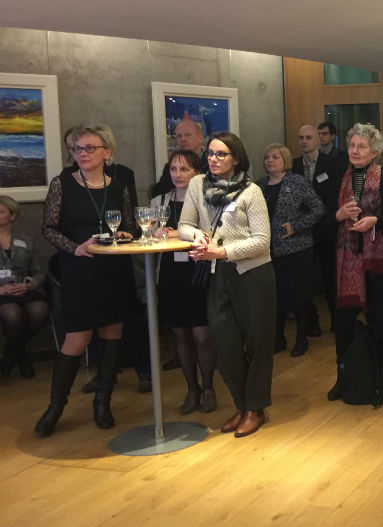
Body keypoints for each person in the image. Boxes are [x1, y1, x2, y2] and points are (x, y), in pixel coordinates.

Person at [35, 123, 136, 438]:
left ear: (107, 152)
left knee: (112, 333)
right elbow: (48, 227)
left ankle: (103, 401)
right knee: (76, 339)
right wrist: (75, 248)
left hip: (114, 269)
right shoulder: (62, 183)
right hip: (79, 269)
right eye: (77, 148)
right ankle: (55, 406)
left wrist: (124, 234)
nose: (82, 154)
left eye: (89, 148)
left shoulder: (118, 186)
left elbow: (131, 226)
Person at [178, 132, 275, 438]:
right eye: (210, 153)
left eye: (221, 154)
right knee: (225, 343)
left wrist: (221, 250)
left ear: (236, 158)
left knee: (257, 344)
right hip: (216, 272)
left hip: (252, 274)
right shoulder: (197, 184)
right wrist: (195, 236)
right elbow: (184, 224)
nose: (213, 159)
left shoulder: (251, 192)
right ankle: (242, 404)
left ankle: (254, 409)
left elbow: (262, 241)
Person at [327, 124, 383, 404]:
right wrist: (338, 214)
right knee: (343, 324)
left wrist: (376, 221)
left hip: (378, 263)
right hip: (346, 263)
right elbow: (324, 220)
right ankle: (345, 376)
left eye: (362, 146)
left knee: (381, 321)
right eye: (352, 145)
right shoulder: (340, 178)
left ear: (374, 151)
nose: (355, 150)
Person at [151, 149, 218, 415]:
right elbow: (147, 234)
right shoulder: (159, 202)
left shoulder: (209, 200)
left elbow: (215, 234)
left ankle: (210, 386)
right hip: (170, 274)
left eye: (184, 170)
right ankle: (192, 389)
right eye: (173, 170)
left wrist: (178, 233)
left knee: (202, 335)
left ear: (197, 173)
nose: (177, 175)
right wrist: (156, 234)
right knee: (180, 335)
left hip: (198, 271)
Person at [257, 143, 325, 357]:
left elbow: (318, 209)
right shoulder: (259, 186)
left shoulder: (297, 182)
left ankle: (301, 338)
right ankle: (278, 339)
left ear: (285, 160)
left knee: (299, 295)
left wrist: (296, 226)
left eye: (275, 157)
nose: (270, 161)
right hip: (268, 251)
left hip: (296, 249)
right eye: (267, 157)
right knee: (274, 296)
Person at [292, 123, 349, 337]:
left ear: (318, 139)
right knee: (304, 278)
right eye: (301, 138)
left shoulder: (332, 164)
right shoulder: (294, 165)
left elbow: (336, 195)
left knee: (331, 277)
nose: (304, 141)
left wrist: (329, 221)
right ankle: (311, 321)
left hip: (327, 227)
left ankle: (337, 319)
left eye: (308, 137)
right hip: (302, 229)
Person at [0, 195, 49, 378]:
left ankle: (12, 351)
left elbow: (40, 272)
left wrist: (30, 285)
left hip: (23, 290)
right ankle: (22, 357)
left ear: (11, 216)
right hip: (1, 292)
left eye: (1, 211)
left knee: (40, 310)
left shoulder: (25, 241)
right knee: (12, 314)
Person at [152, 118, 208, 197]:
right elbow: (158, 192)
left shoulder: (210, 164)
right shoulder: (171, 165)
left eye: (187, 135)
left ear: (200, 138)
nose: (183, 139)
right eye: (179, 136)